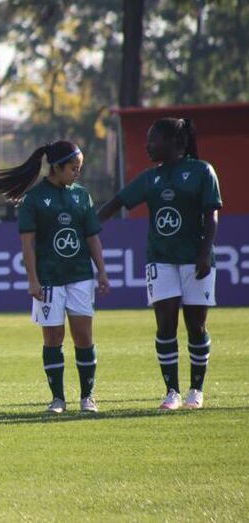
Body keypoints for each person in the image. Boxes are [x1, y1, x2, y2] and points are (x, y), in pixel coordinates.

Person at [98, 118, 221, 410]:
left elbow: (211, 215)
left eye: (153, 139)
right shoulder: (150, 177)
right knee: (165, 325)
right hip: (161, 259)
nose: (148, 145)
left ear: (173, 142)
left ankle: (196, 390)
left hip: (195, 260)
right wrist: (85, 225)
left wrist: (204, 253)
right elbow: (116, 204)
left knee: (196, 326)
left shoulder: (202, 171)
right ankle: (172, 392)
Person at [0, 140, 109, 413]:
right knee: (53, 338)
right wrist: (33, 280)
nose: (77, 172)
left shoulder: (81, 196)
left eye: (79, 168)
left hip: (80, 276)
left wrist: (102, 271)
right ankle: (58, 399)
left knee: (84, 337)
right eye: (74, 168)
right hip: (49, 279)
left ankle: (88, 397)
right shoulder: (34, 199)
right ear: (57, 167)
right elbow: (28, 244)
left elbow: (92, 237)